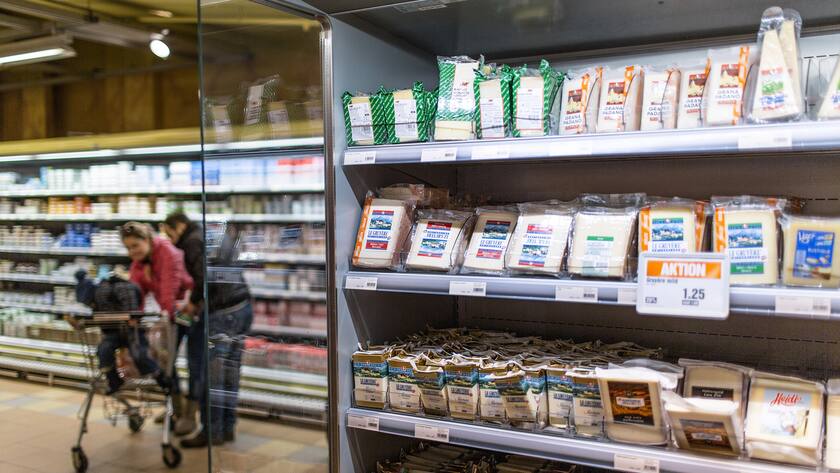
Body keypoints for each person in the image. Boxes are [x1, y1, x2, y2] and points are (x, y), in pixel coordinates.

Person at [162, 212, 252, 448]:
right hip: (241, 306)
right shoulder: (204, 235)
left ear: (179, 226)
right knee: (230, 374)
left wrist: (192, 303)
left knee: (213, 379)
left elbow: (203, 278)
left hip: (222, 313)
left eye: (169, 233)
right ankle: (227, 428)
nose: (170, 240)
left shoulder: (191, 241)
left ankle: (212, 432)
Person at [120, 222, 193, 419]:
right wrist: (133, 317)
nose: (131, 252)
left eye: (135, 245)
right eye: (127, 247)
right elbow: (135, 294)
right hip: (170, 313)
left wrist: (165, 318)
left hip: (191, 309)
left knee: (193, 364)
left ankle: (189, 414)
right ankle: (176, 409)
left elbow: (170, 288)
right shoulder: (139, 263)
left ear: (148, 240)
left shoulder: (167, 252)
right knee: (165, 362)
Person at [76, 271, 169, 395]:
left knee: (114, 352)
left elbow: (129, 311)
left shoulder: (108, 291)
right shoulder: (110, 291)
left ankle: (117, 380)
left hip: (128, 330)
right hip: (125, 331)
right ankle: (160, 379)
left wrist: (129, 316)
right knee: (132, 353)